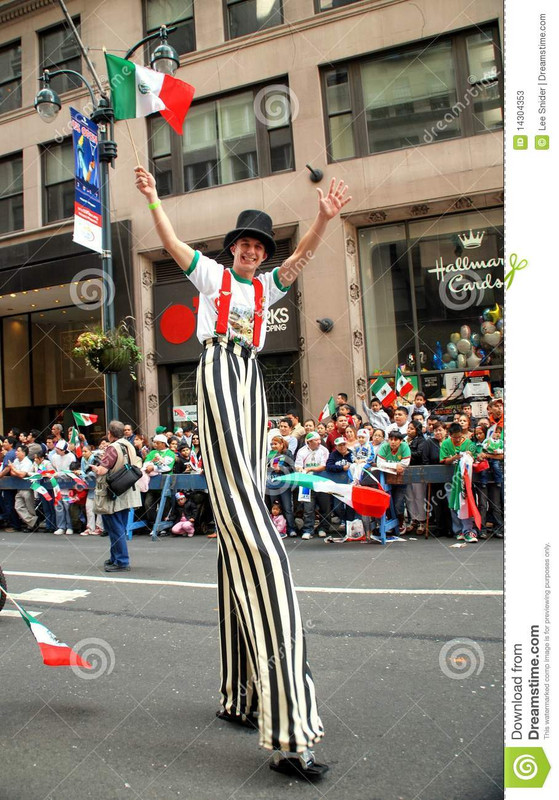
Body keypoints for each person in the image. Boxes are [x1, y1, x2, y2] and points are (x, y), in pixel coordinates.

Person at [135, 164, 350, 778]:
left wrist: (325, 221)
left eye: (259, 246)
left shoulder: (267, 290)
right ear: (232, 250)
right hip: (220, 372)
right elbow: (175, 247)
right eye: (245, 245)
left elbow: (303, 258)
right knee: (256, 538)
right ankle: (288, 728)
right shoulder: (211, 279)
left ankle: (240, 693)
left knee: (240, 527)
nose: (252, 252)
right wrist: (153, 200)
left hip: (251, 379)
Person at [90, 420, 142, 571]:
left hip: (113, 491)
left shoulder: (112, 448)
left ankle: (121, 561)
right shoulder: (129, 445)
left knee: (114, 527)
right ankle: (115, 558)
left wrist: (95, 467)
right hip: (128, 487)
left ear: (110, 434)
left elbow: (102, 471)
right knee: (120, 526)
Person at [439, 422, 478, 542]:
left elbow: (474, 457)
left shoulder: (468, 443)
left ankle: (468, 530)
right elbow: (443, 460)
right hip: (451, 479)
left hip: (465, 480)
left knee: (465, 503)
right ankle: (458, 530)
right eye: (454, 437)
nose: (457, 439)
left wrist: (469, 455)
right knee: (453, 505)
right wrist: (454, 458)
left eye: (459, 437)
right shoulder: (445, 444)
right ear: (450, 435)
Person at [295, 431, 331, 539]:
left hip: (321, 481)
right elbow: (298, 465)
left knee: (325, 507)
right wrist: (300, 469)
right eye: (316, 440)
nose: (319, 442)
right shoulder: (301, 451)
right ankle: (308, 530)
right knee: (308, 507)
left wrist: (309, 468)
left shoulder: (324, 450)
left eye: (319, 439)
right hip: (306, 483)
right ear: (309, 441)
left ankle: (323, 528)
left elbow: (323, 466)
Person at [376, 431, 411, 534]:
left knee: (398, 503)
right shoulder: (384, 447)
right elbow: (379, 463)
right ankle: (391, 522)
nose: (393, 442)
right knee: (387, 503)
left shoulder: (404, 447)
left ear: (400, 441)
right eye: (391, 439)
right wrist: (395, 466)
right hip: (386, 480)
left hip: (400, 481)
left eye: (396, 440)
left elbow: (405, 464)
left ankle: (401, 522)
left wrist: (388, 465)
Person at [404, 421, 428, 534]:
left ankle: (422, 520)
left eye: (412, 428)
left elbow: (419, 454)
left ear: (417, 430)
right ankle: (413, 519)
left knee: (419, 495)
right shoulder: (405, 440)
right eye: (408, 428)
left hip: (417, 470)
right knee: (409, 496)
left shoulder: (421, 441)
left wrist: (406, 451)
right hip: (406, 470)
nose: (409, 430)